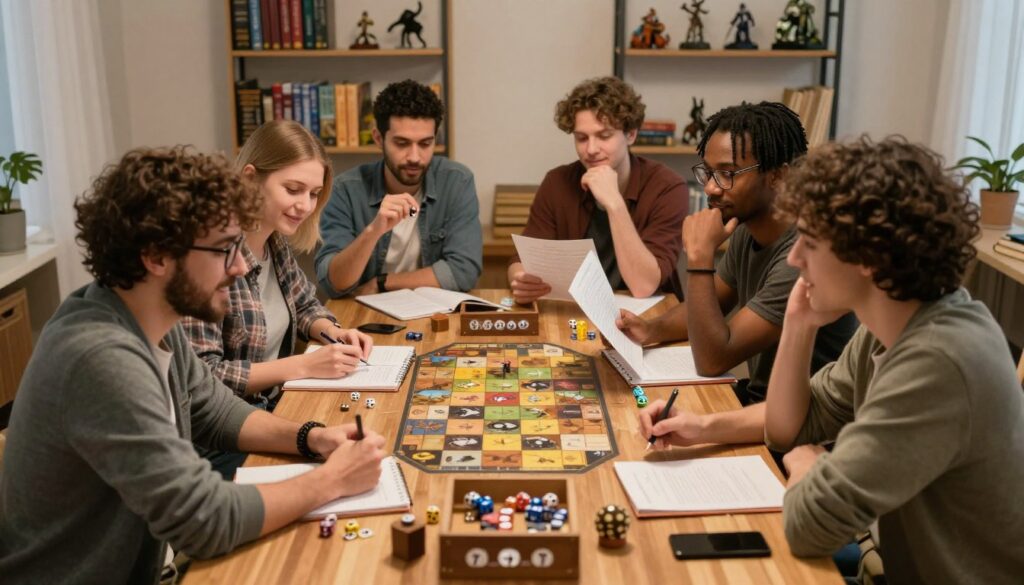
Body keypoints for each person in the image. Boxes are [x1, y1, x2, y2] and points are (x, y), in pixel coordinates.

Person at [640, 136, 1024, 583]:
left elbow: (810, 527)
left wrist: (811, 466)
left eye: (808, 241)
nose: (796, 258)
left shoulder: (939, 361)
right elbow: (794, 425)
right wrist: (705, 424)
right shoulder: (895, 326)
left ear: (866, 255)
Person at [0, 147, 386, 584]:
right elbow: (203, 521)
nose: (241, 267)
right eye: (225, 249)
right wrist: (331, 481)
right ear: (157, 256)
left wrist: (313, 438)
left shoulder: (148, 318)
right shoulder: (100, 358)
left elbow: (214, 411)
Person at [617, 102, 858, 404]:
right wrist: (651, 329)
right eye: (709, 172)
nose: (710, 189)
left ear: (777, 176)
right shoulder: (748, 227)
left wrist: (700, 257)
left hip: (803, 424)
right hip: (760, 401)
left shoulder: (805, 254)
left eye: (727, 173)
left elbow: (714, 358)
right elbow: (712, 302)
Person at [183, 120, 373, 478]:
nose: (304, 205)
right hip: (219, 443)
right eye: (293, 189)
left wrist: (332, 332)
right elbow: (205, 378)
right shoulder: (208, 255)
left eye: (314, 193)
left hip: (274, 411)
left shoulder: (274, 241)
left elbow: (304, 305)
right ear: (250, 178)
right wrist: (304, 366)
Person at [508, 76, 688, 303]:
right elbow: (524, 257)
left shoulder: (668, 188)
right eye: (582, 138)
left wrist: (614, 203)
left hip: (648, 318)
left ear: (630, 134)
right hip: (576, 311)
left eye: (604, 136)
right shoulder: (558, 182)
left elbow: (644, 285)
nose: (591, 149)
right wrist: (521, 278)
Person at [316, 79, 482, 297]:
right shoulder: (345, 190)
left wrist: (383, 283)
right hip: (364, 316)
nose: (415, 157)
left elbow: (464, 271)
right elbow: (333, 283)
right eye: (402, 143)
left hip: (433, 310)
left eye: (425, 144)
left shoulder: (457, 182)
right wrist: (374, 230)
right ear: (378, 138)